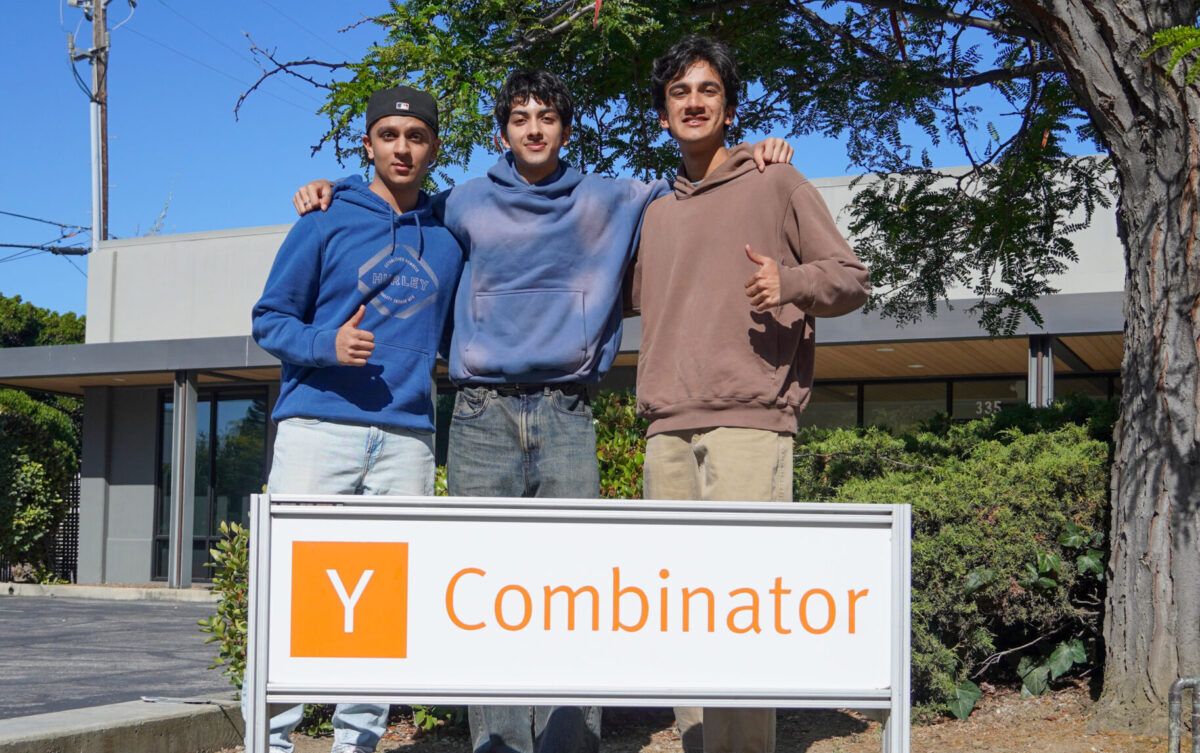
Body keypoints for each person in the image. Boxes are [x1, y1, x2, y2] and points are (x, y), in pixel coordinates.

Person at [292, 68, 792, 753]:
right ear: (502, 132)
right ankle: (498, 742)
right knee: (485, 587)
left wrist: (756, 153)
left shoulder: (613, 198)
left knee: (570, 586)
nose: (533, 128)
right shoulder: (462, 203)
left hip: (566, 411)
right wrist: (334, 189)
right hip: (480, 414)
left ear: (564, 129)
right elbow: (393, 205)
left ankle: (568, 741)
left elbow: (694, 180)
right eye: (521, 117)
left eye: (547, 118)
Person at [629, 35, 871, 753]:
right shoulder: (654, 212)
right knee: (681, 614)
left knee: (742, 609)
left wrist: (790, 282)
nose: (694, 103)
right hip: (665, 429)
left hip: (750, 424)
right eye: (680, 93)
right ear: (664, 112)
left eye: (707, 91)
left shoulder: (775, 183)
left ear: (729, 108)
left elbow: (851, 278)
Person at [251, 85, 463, 753]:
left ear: (434, 147)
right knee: (292, 592)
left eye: (417, 136)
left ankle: (357, 742)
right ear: (368, 143)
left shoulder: (450, 236)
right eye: (390, 135)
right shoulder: (323, 218)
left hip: (407, 437)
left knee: (382, 601)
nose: (403, 147)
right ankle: (273, 738)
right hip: (319, 426)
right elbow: (269, 319)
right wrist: (326, 345)